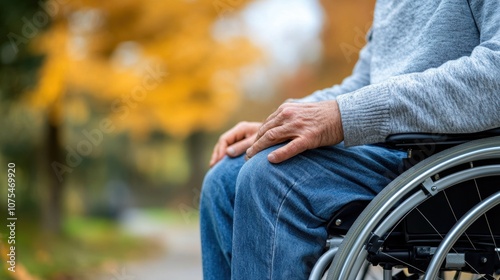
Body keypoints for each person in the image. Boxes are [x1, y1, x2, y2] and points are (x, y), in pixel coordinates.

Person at [199, 0, 500, 279]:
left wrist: (345, 116)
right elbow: (363, 84)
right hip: (389, 147)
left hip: (447, 158)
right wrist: (278, 125)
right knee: (225, 178)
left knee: (272, 178)